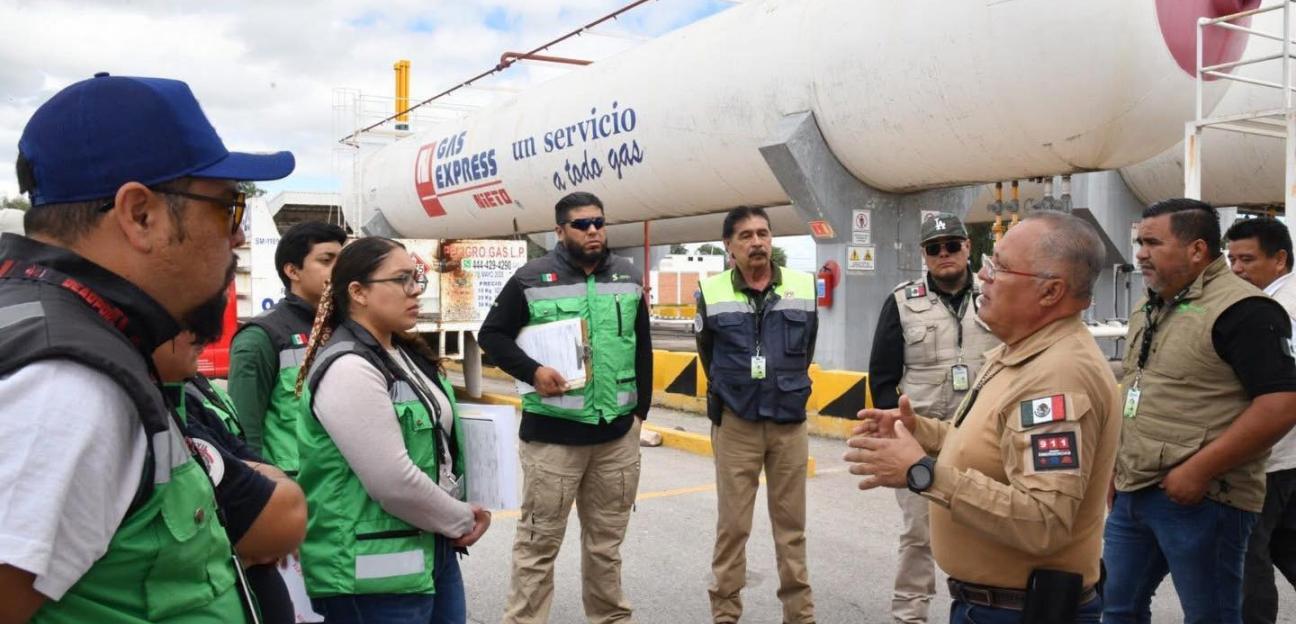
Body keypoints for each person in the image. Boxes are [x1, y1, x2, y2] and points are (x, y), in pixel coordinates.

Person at [0, 72, 293, 622]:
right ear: (140, 215)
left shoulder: (81, 338)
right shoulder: (66, 388)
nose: (238, 236)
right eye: (229, 207)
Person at [847, 211, 1119, 623]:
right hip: (996, 605)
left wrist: (923, 472)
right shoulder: (1021, 351)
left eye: (1001, 268)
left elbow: (1043, 519)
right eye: (990, 264)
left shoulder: (1058, 376)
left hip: (1019, 610)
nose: (985, 277)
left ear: (1050, 292)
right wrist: (921, 431)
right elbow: (992, 438)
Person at [1103, 199, 1296, 624]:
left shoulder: (1245, 310)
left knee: (1212, 615)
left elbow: (1281, 405)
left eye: (1153, 242)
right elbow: (1139, 389)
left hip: (1205, 497)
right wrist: (1116, 468)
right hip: (1135, 491)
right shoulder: (1152, 305)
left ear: (1197, 249)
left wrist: (1199, 470)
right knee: (1116, 608)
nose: (1140, 253)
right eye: (1139, 242)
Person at [294, 236, 490, 623]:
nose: (416, 289)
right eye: (401, 279)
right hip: (372, 574)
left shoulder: (400, 354)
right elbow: (393, 482)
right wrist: (462, 518)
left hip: (428, 550)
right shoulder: (349, 366)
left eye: (416, 277)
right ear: (358, 292)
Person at [478, 191, 652, 624]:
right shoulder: (530, 278)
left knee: (606, 547)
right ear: (559, 231)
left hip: (615, 437)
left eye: (598, 222)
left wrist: (639, 415)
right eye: (581, 224)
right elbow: (492, 336)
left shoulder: (627, 277)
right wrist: (533, 370)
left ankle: (609, 617)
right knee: (538, 546)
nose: (593, 230)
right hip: (554, 438)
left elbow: (642, 347)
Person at [867, 211, 1000, 623]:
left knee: (990, 528)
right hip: (920, 439)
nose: (944, 254)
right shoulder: (902, 301)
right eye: (934, 248)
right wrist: (898, 433)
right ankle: (910, 614)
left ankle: (985, 611)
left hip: (983, 436)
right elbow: (883, 376)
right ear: (924, 256)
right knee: (919, 535)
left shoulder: (995, 295)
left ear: (967, 247)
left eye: (952, 245)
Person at [695, 206, 817, 624]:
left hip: (788, 423)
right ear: (729, 246)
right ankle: (726, 615)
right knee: (733, 528)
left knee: (792, 529)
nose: (757, 242)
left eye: (763, 233)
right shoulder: (710, 292)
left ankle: (799, 616)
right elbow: (707, 354)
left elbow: (806, 351)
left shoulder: (803, 286)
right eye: (745, 236)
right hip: (737, 424)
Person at [153, 321, 306, 624]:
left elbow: (239, 451)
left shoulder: (192, 386)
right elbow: (275, 513)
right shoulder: (156, 398)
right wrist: (263, 523)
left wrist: (270, 507)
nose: (203, 333)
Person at [228, 220, 346, 474]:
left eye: (342, 260)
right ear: (293, 271)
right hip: (299, 494)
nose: (340, 270)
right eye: (327, 261)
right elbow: (245, 437)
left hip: (350, 492)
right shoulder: (261, 337)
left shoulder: (350, 328)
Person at [1225, 217, 1296, 624]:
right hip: (1288, 458)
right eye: (1232, 259)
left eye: (1247, 259)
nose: (1237, 269)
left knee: (1246, 563)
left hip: (1267, 459)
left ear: (1280, 258)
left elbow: (1281, 391)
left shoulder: (1273, 311)